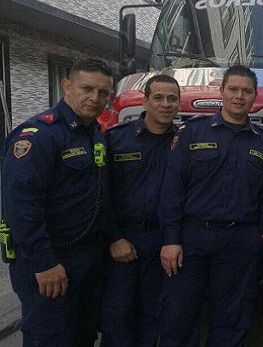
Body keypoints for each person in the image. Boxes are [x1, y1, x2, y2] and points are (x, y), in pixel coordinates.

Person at [157, 65, 263, 347]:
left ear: (254, 96)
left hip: (240, 241)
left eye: (246, 91)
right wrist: (171, 239)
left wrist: (260, 234)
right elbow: (172, 189)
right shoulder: (193, 134)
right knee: (179, 316)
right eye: (233, 89)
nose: (239, 96)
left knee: (232, 319)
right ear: (221, 91)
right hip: (191, 239)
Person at [1, 58, 113, 347]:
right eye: (86, 88)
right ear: (67, 86)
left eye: (103, 93)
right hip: (51, 260)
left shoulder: (95, 134)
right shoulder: (39, 135)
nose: (95, 98)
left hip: (87, 258)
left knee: (83, 335)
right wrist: (44, 262)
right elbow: (20, 206)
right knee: (49, 338)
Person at [100, 75, 180, 346]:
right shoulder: (115, 140)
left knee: (154, 317)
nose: (165, 104)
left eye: (172, 98)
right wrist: (113, 237)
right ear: (145, 101)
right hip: (122, 243)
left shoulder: (184, 144)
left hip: (162, 243)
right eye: (158, 97)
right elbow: (101, 194)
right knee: (117, 317)